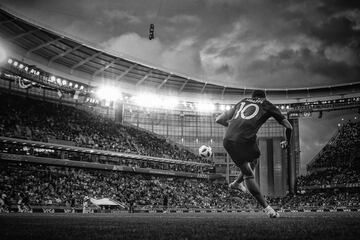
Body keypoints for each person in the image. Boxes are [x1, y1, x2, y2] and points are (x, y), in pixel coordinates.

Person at [215, 89, 292, 218]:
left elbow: (219, 119)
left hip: (228, 140)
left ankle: (237, 183)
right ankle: (268, 209)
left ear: (252, 97)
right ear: (264, 97)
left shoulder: (242, 101)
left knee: (253, 160)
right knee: (249, 174)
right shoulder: (267, 104)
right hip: (244, 140)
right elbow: (289, 126)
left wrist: (233, 127)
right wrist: (287, 142)